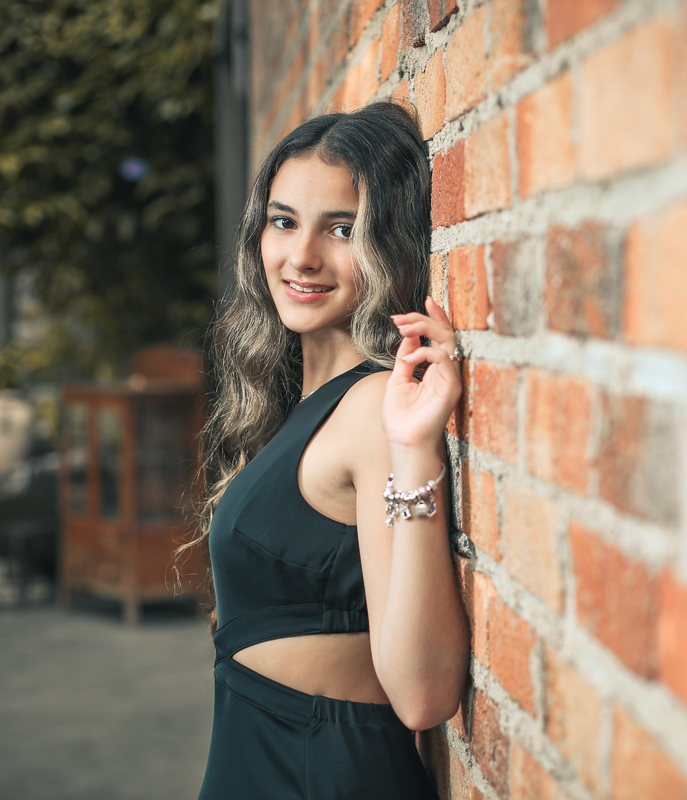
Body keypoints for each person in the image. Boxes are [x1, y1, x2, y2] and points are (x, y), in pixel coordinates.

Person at [180, 101, 469, 799]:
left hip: (320, 773)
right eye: (284, 221)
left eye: (341, 229)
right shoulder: (300, 403)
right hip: (261, 756)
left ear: (387, 241)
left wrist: (414, 449)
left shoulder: (373, 408)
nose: (301, 256)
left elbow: (422, 694)